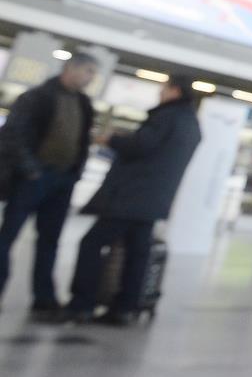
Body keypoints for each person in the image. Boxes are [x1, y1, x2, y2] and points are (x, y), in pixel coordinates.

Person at [66, 73, 201, 325]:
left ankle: (81, 304)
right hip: (155, 200)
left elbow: (142, 145)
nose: (159, 93)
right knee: (138, 253)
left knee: (92, 243)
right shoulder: (192, 123)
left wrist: (111, 139)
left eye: (164, 88)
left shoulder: (166, 116)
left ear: (175, 91)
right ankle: (125, 308)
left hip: (132, 196)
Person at [0, 53, 98, 319]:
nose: (91, 78)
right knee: (7, 237)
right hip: (32, 178)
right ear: (71, 68)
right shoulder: (37, 97)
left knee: (50, 241)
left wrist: (75, 173)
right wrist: (30, 170)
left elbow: (82, 141)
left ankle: (44, 298)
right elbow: (13, 135)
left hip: (62, 180)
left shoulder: (84, 103)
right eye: (88, 71)